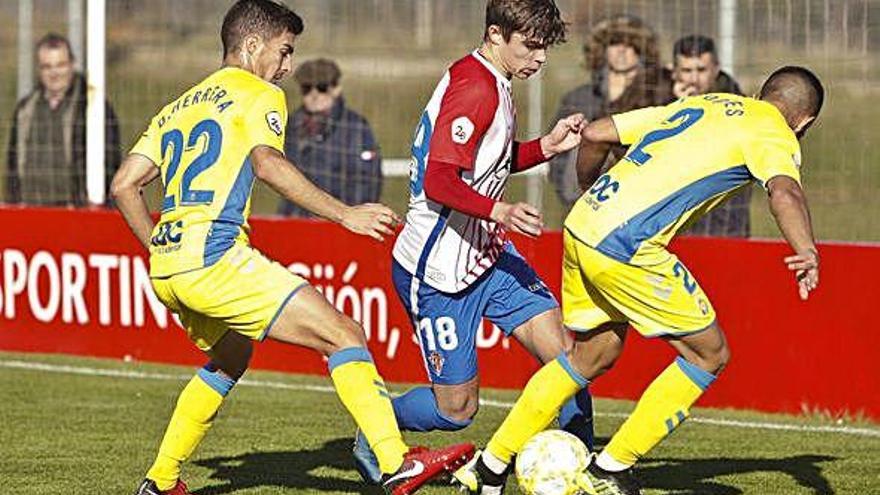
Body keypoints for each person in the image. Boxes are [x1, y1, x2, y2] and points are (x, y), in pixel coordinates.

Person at [110, 2, 473, 495]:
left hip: (169, 268)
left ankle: (160, 480)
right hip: (216, 258)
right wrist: (346, 214)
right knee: (344, 334)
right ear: (252, 45)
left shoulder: (179, 105)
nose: (286, 67)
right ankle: (395, 462)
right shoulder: (258, 92)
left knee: (232, 355)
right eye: (284, 52)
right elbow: (267, 163)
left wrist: (157, 245)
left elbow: (124, 185)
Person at [454, 66, 824, 495]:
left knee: (593, 355)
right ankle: (611, 467)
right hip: (626, 244)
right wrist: (807, 249)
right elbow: (785, 192)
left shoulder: (703, 105)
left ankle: (489, 468)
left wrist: (591, 191)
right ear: (804, 122)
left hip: (582, 227)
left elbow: (594, 134)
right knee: (709, 354)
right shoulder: (774, 131)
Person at [352, 0, 594, 490]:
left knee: (568, 360)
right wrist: (501, 210)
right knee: (456, 410)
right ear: (495, 34)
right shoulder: (475, 88)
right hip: (437, 271)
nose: (540, 57)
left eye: (545, 47)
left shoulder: (493, 79)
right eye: (530, 44)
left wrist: (544, 147)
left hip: (487, 253)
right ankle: (375, 429)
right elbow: (441, 181)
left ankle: (583, 466)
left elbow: (489, 162)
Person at [547, 14, 670, 215]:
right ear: (602, 49)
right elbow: (557, 155)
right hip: (584, 204)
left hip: (642, 208)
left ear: (642, 51)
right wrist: (571, 194)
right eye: (614, 43)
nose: (622, 50)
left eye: (631, 44)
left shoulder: (656, 97)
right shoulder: (578, 99)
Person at [6, 32, 121, 206]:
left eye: (60, 65)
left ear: (72, 65)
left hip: (75, 210)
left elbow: (111, 161)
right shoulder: (25, 110)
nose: (54, 73)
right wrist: (14, 202)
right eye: (47, 66)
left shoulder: (92, 107)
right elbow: (12, 166)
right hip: (31, 209)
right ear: (39, 69)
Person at [277, 58, 382, 217]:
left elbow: (367, 181)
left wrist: (351, 218)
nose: (314, 95)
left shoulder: (355, 126)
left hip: (341, 222)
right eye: (307, 88)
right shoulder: (289, 124)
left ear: (336, 89)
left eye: (321, 87)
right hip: (296, 221)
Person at [668, 34, 750, 237]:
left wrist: (686, 107)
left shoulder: (736, 104)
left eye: (701, 70)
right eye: (687, 70)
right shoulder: (661, 102)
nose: (694, 79)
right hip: (674, 220)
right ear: (673, 72)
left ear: (716, 68)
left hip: (724, 222)